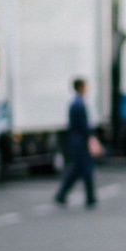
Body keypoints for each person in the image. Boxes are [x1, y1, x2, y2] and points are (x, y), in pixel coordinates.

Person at [55, 78, 99, 208]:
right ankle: (90, 197)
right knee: (85, 169)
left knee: (77, 170)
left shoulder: (76, 103)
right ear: (80, 87)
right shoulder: (78, 104)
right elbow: (82, 125)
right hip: (80, 142)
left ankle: (63, 194)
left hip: (77, 140)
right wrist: (90, 137)